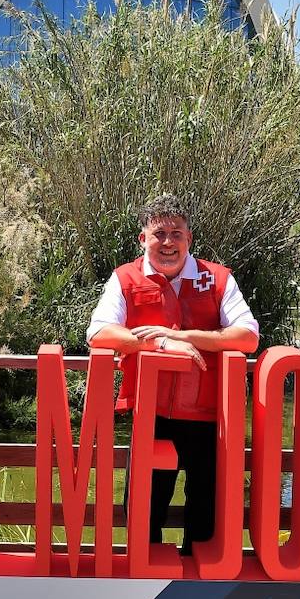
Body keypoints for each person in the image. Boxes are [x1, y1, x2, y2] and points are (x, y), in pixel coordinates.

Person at [88, 194, 259, 555]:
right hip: (152, 416)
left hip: (211, 419)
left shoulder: (218, 279)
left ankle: (200, 597)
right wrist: (161, 344)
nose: (168, 242)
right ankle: (144, 591)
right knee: (143, 514)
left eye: (176, 233)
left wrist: (183, 336)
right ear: (143, 239)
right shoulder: (125, 278)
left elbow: (248, 337)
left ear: (189, 239)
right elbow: (99, 332)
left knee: (206, 519)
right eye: (159, 233)